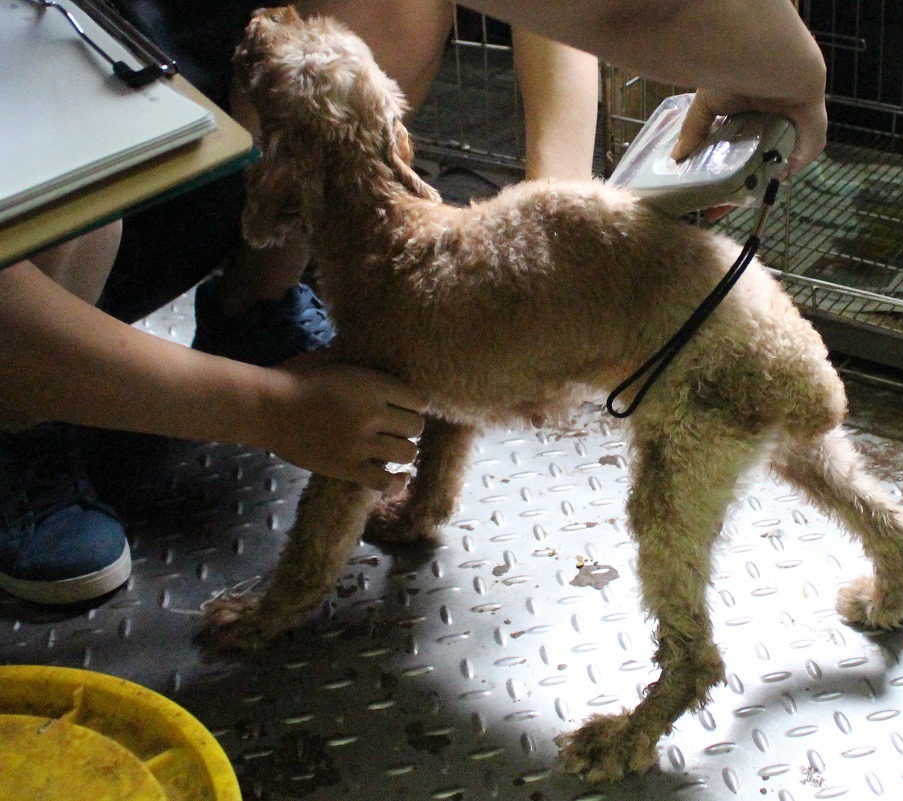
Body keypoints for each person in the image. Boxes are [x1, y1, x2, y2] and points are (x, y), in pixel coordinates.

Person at [0, 0, 828, 605]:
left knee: (392, 7)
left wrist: (549, 206)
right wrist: (273, 410)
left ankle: (256, 304)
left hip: (195, 115)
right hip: (50, 215)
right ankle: (21, 433)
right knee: (63, 188)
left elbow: (598, 9)